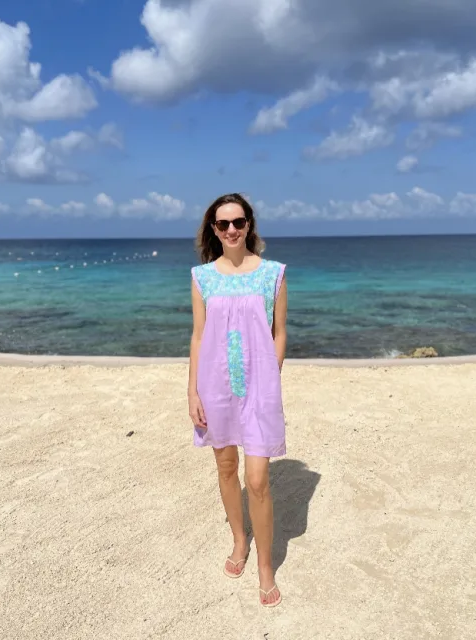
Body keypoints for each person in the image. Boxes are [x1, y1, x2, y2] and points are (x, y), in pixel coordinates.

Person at [188, 193, 288, 608]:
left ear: (249, 225)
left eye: (238, 222)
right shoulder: (201, 277)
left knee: (259, 480)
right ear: (213, 229)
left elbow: (279, 332)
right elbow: (197, 336)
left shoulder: (273, 274)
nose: (231, 230)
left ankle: (266, 565)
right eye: (223, 223)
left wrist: (270, 376)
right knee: (226, 466)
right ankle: (238, 540)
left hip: (259, 389)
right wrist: (192, 389)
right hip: (215, 386)